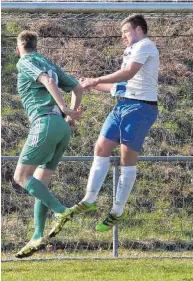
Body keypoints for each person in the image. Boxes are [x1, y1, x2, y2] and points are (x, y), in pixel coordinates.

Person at [75, 14, 159, 232]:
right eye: (122, 33)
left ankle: (117, 210)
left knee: (126, 160)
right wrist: (90, 85)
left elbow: (128, 73)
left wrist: (97, 79)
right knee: (101, 147)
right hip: (122, 105)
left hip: (141, 108)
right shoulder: (130, 51)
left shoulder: (146, 45)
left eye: (126, 32)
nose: (123, 36)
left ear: (139, 30)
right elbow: (120, 86)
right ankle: (90, 198)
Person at [13, 31, 84, 258]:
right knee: (40, 183)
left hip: (45, 123)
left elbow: (48, 81)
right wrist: (70, 118)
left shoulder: (25, 62)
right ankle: (37, 236)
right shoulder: (47, 61)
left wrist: (65, 108)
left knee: (22, 177)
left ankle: (61, 211)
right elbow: (78, 88)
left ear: (18, 49)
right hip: (61, 129)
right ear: (36, 45)